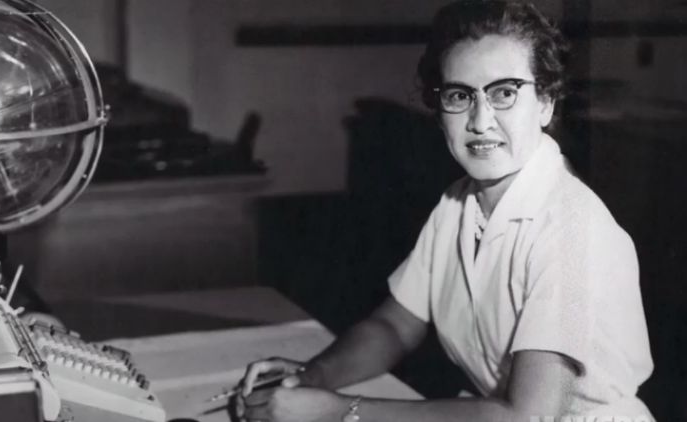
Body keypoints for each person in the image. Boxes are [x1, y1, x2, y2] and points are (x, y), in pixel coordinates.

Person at [235, 1, 655, 421]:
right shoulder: (458, 202)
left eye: (504, 93)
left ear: (545, 103)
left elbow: (528, 418)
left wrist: (339, 411)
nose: (480, 120)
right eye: (460, 95)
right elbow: (396, 326)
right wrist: (312, 377)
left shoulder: (572, 230)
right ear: (439, 114)